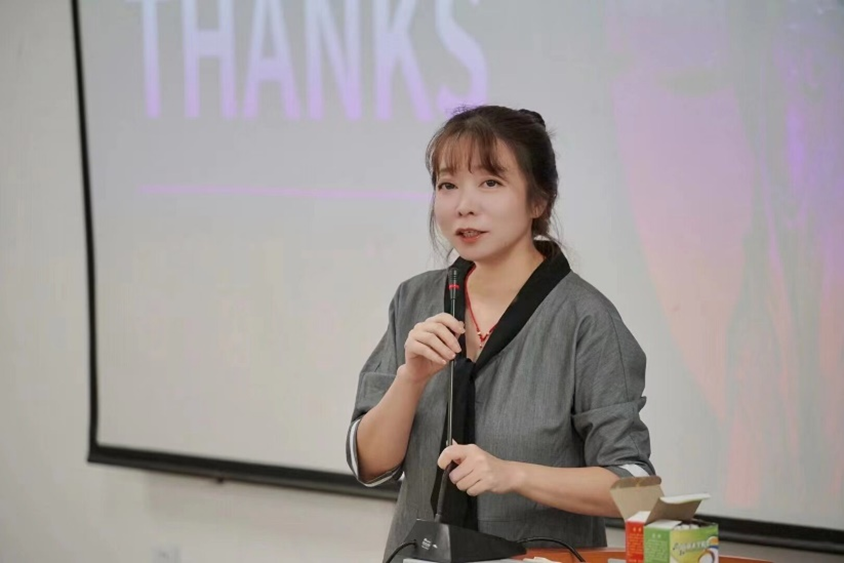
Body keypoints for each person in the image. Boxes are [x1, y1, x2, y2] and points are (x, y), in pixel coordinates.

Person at [346, 105, 654, 561]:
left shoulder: (585, 319)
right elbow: (369, 464)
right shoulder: (414, 298)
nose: (464, 205)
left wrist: (513, 475)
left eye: (490, 182)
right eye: (447, 185)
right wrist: (410, 379)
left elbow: (637, 490)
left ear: (539, 201)